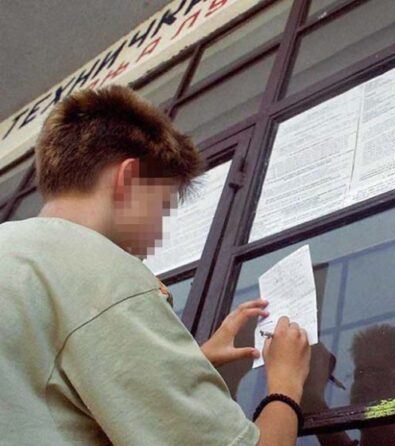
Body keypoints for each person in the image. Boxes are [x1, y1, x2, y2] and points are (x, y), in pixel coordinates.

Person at [0, 85, 311, 445]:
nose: (159, 233)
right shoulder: (105, 274)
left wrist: (189, 362)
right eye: (162, 207)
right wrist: (287, 381)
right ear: (128, 179)